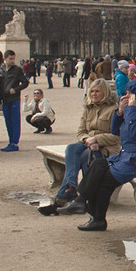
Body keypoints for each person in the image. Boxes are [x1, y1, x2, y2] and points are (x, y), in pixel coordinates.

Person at [75, 77, 136, 232]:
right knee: (98, 164)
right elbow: (116, 131)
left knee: (105, 181)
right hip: (130, 157)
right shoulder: (135, 109)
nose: (125, 97)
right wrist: (120, 112)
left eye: (128, 94)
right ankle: (82, 200)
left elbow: (134, 133)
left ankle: (95, 217)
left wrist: (130, 110)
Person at [38, 78, 120, 216]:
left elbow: (117, 137)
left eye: (97, 91)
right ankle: (70, 187)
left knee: (81, 157)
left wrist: (97, 140)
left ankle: (60, 201)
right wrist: (87, 139)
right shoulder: (88, 108)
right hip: (88, 143)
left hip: (105, 148)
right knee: (71, 148)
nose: (93, 94)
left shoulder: (114, 110)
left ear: (105, 93)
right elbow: (80, 131)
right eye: (92, 91)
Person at [0, 50, 29, 152]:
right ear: (5, 59)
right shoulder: (1, 70)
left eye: (13, 58)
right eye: (10, 59)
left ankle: (14, 143)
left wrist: (16, 90)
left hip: (14, 98)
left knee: (15, 122)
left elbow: (25, 82)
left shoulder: (17, 70)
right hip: (5, 99)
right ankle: (10, 141)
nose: (12, 61)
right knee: (8, 122)